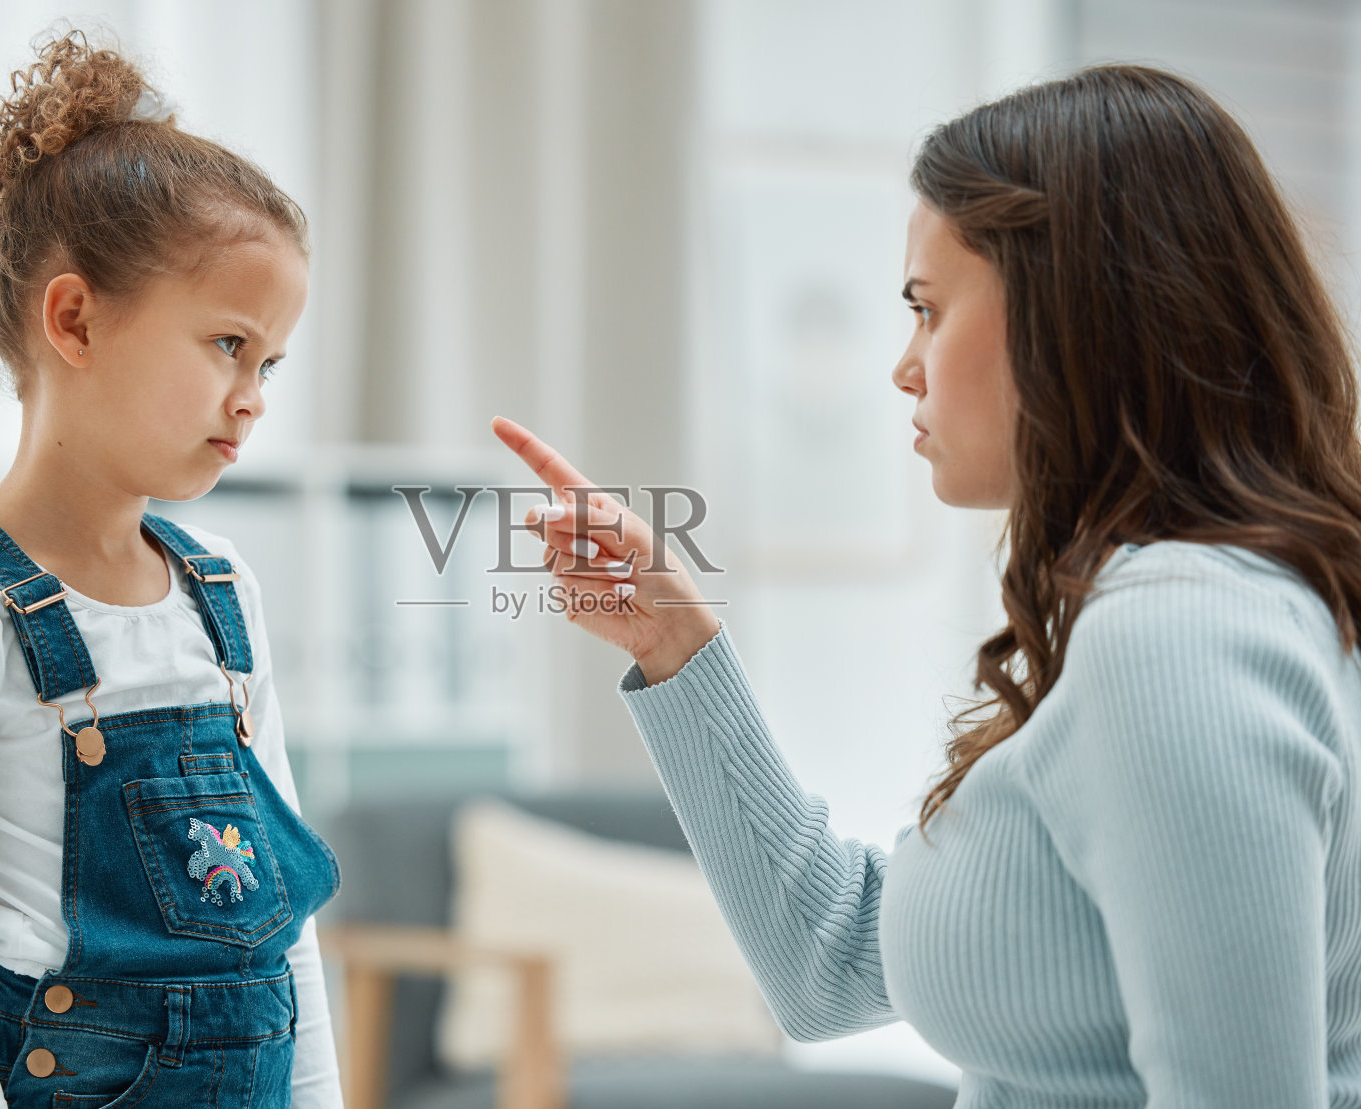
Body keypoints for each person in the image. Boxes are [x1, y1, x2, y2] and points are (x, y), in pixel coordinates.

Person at [493, 62, 1361, 1107]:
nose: (904, 366)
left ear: (1070, 313)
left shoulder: (1177, 634)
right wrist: (676, 646)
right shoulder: (1206, 606)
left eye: (927, 308)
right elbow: (833, 964)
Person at [0, 28, 341, 1109]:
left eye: (269, 361)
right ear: (73, 318)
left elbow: (281, 934)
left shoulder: (224, 600)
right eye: (226, 344)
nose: (254, 393)